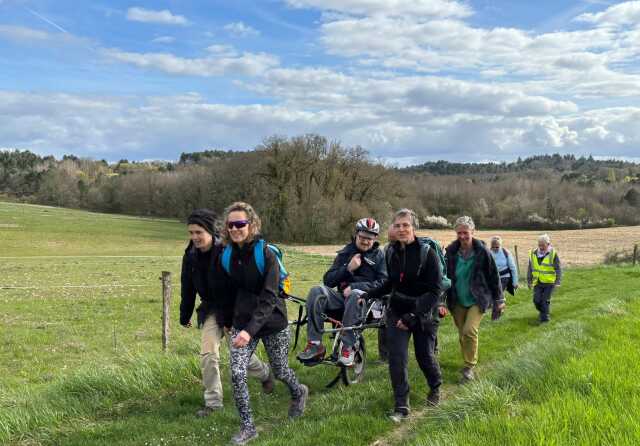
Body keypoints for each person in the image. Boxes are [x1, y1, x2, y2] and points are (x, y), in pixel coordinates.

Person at [221, 202, 308, 445]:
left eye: (241, 224)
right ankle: (248, 427)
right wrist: (228, 322)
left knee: (280, 370)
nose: (236, 228)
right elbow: (228, 293)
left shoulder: (266, 253)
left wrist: (249, 332)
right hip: (242, 322)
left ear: (251, 225)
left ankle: (298, 391)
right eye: (231, 225)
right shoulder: (226, 255)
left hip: (272, 322)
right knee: (237, 372)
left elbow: (270, 297)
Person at [179, 209, 274, 418]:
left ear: (210, 232)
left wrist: (229, 319)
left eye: (198, 232)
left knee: (241, 356)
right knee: (208, 354)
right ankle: (213, 403)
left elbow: (233, 287)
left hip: (234, 309)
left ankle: (266, 373)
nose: (194, 237)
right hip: (211, 310)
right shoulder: (190, 256)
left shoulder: (225, 252)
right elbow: (187, 287)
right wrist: (184, 315)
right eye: (191, 233)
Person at [366, 209, 443, 422]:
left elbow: (435, 291)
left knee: (424, 356)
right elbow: (392, 282)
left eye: (405, 225)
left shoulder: (428, 253)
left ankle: (435, 387)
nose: (401, 229)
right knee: (397, 359)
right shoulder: (391, 252)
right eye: (397, 225)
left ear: (413, 228)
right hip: (397, 311)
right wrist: (369, 294)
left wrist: (414, 315)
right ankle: (401, 405)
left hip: (423, 313)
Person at [296, 218, 387, 366]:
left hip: (368, 303)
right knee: (316, 291)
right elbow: (328, 280)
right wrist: (348, 269)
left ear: (375, 238)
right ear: (356, 234)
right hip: (342, 300)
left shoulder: (380, 256)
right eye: (362, 237)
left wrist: (357, 286)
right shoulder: (345, 253)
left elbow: (384, 283)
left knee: (355, 293)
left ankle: (348, 347)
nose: (365, 241)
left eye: (369, 239)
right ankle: (315, 344)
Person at [445, 216, 505, 383]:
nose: (462, 236)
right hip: (457, 299)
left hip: (477, 299)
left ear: (473, 231)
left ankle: (469, 366)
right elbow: (444, 276)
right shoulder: (450, 252)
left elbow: (494, 275)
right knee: (462, 333)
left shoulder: (482, 252)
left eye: (466, 232)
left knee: (469, 330)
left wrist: (499, 299)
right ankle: (467, 360)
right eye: (459, 233)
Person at [527, 233, 562, 323]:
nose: (541, 247)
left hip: (549, 283)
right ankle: (544, 312)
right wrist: (529, 281)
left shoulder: (553, 254)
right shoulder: (533, 254)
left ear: (548, 244)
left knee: (544, 300)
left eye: (543, 245)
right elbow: (530, 268)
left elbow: (558, 268)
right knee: (536, 300)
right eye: (539, 245)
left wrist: (558, 281)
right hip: (537, 282)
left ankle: (544, 319)